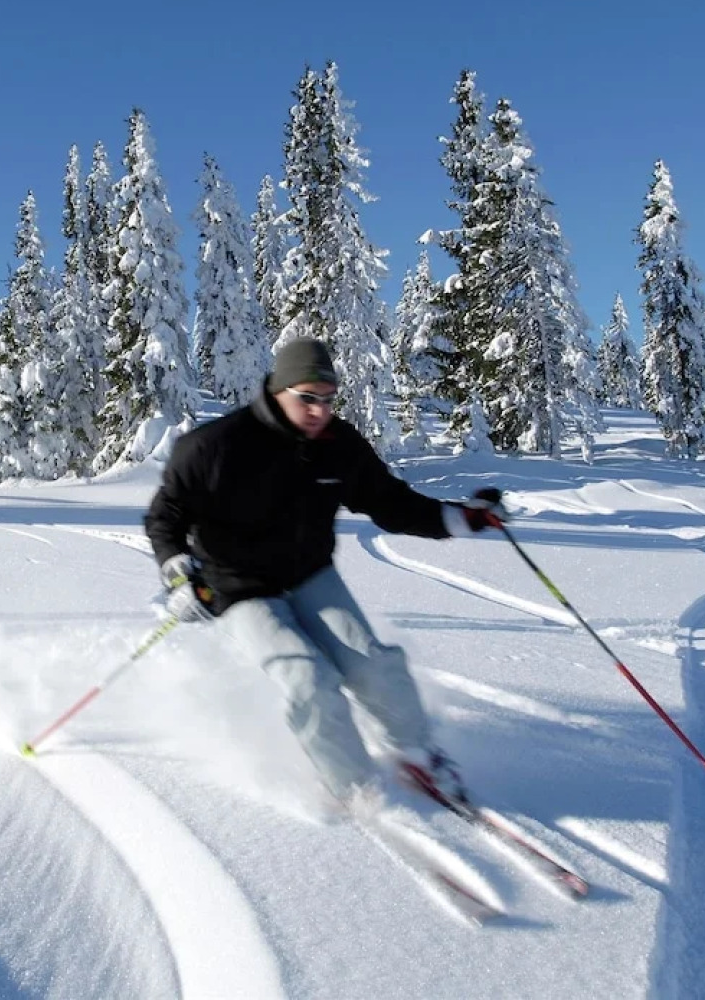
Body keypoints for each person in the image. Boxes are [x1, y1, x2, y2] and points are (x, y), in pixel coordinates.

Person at [144, 336, 507, 805]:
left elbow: (390, 503)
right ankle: (354, 788)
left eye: (329, 399)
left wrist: (460, 518)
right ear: (278, 391)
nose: (320, 410)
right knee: (308, 679)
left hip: (308, 573)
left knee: (373, 663)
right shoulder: (214, 447)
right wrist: (178, 573)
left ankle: (417, 753)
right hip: (238, 586)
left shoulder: (340, 446)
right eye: (308, 399)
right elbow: (166, 516)